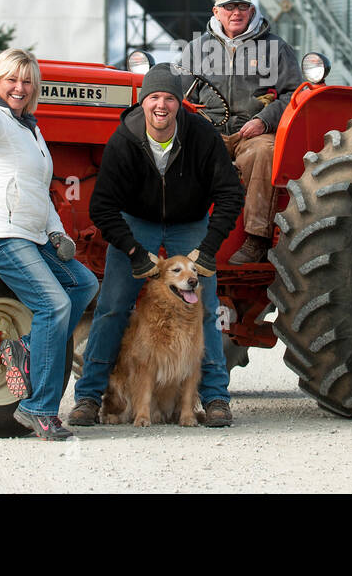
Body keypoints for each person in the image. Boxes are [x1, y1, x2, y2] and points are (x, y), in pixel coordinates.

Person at [68, 63, 245, 428]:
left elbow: (230, 194)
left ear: (179, 103)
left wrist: (209, 247)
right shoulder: (125, 140)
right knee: (114, 306)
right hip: (139, 223)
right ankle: (88, 396)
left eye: (168, 98)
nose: (160, 105)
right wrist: (133, 250)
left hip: (190, 223)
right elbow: (101, 205)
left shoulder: (202, 137)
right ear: (142, 102)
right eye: (153, 98)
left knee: (205, 308)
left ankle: (214, 399)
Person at [0, 39, 98, 441]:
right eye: (11, 79)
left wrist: (57, 233)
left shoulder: (29, 128)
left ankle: (27, 349)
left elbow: (37, 188)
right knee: (54, 304)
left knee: (84, 283)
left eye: (28, 81)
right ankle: (39, 408)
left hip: (27, 232)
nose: (20, 87)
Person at [181, 0, 300, 264]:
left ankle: (256, 240)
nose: (236, 12)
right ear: (216, 11)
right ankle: (180, 235)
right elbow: (179, 95)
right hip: (210, 132)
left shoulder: (276, 49)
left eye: (243, 6)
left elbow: (293, 94)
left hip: (253, 134)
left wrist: (263, 120)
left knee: (265, 152)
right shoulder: (196, 50)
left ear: (251, 9)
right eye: (229, 6)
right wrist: (193, 117)